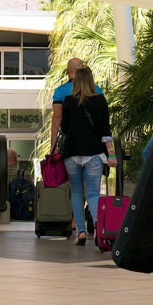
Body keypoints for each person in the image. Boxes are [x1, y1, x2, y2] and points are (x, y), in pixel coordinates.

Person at [55, 63, 112, 246]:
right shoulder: (100, 101)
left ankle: (80, 232)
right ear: (91, 81)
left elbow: (64, 129)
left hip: (72, 154)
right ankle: (97, 229)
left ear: (76, 81)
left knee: (77, 193)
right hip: (93, 154)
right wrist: (111, 155)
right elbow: (105, 131)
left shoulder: (69, 101)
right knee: (94, 193)